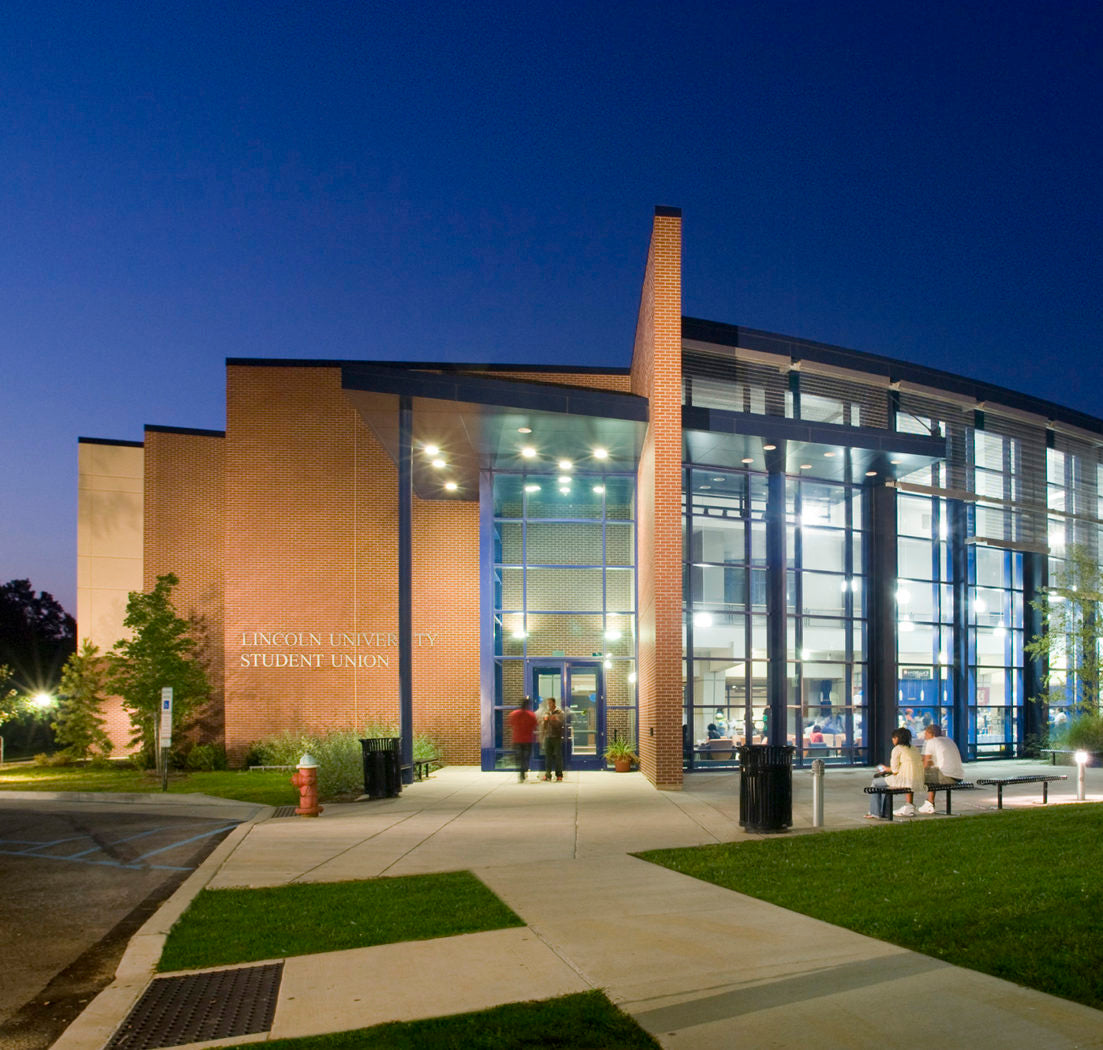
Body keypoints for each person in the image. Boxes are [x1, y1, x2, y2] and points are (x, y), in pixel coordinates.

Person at [867, 726, 924, 818]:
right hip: (917, 780)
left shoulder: (897, 749)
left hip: (904, 780)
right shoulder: (914, 749)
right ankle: (883, 812)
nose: (892, 740)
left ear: (896, 738)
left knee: (875, 783)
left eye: (893, 738)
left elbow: (895, 770)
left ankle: (875, 813)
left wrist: (885, 769)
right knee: (884, 785)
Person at [920, 724, 965, 813]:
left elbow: (925, 765)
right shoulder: (949, 740)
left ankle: (928, 803)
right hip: (958, 776)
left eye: (926, 734)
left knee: (922, 775)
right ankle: (930, 802)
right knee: (933, 774)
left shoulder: (931, 741)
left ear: (930, 733)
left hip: (947, 777)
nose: (925, 737)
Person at [507, 696, 538, 783]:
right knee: (526, 757)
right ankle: (523, 772)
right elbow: (535, 726)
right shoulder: (531, 715)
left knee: (519, 758)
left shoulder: (513, 714)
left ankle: (521, 773)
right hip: (528, 740)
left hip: (517, 739)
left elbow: (510, 724)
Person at [541, 697, 566, 781]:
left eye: (550, 703)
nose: (549, 705)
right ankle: (547, 774)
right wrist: (544, 721)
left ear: (554, 703)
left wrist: (552, 719)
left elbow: (560, 724)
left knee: (558, 756)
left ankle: (559, 775)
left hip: (556, 737)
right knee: (548, 757)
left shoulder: (560, 713)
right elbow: (544, 726)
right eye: (548, 703)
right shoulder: (546, 713)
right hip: (548, 737)